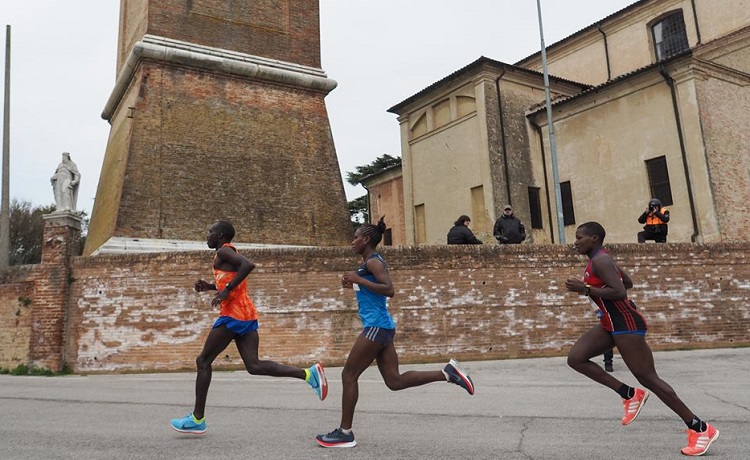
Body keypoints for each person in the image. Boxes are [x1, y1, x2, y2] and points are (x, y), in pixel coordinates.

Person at [316, 217, 475, 448]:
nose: (352, 241)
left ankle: (345, 432)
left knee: (348, 376)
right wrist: (356, 284)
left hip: (376, 328)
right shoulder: (369, 263)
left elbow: (389, 290)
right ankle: (448, 373)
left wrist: (359, 278)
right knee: (394, 381)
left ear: (366, 239)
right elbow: (376, 291)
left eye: (356, 237)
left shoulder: (373, 262)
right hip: (383, 327)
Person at [565, 222, 719, 456]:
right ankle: (628, 394)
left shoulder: (601, 260)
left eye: (579, 237)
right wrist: (594, 290)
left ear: (594, 239)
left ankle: (700, 428)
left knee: (649, 379)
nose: (575, 242)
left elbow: (620, 291)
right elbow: (627, 282)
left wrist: (586, 289)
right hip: (610, 324)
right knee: (576, 358)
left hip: (626, 325)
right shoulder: (600, 259)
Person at [170, 220, 328, 434]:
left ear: (220, 235)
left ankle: (197, 419)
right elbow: (234, 277)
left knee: (203, 360)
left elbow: (248, 265)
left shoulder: (225, 251)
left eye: (210, 232)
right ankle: (309, 375)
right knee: (254, 365)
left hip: (233, 316)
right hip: (246, 315)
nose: (207, 235)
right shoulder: (224, 255)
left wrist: (225, 290)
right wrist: (210, 287)